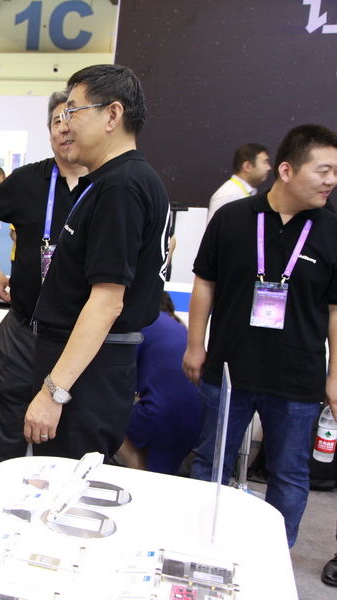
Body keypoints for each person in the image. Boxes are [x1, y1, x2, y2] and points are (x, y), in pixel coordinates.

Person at [183, 124, 337, 547]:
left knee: (289, 474)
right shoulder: (233, 218)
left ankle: (275, 556)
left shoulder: (331, 230)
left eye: (335, 172)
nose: (331, 181)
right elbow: (205, 283)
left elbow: (335, 310)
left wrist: (335, 376)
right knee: (210, 463)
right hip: (228, 369)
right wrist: (195, 345)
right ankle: (200, 546)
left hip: (297, 377)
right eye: (323, 170)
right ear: (287, 170)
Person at [24, 64, 171, 461]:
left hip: (87, 372)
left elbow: (107, 302)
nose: (65, 124)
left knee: (67, 484)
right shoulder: (113, 181)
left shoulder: (122, 186)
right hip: (89, 365)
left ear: (112, 115)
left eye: (74, 111)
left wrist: (54, 392)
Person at [0, 91, 87, 476]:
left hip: (79, 342)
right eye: (57, 121)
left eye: (72, 118)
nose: (64, 128)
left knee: (65, 458)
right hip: (24, 333)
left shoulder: (109, 183)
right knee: (5, 446)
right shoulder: (28, 180)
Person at [117, 292, 200, 475]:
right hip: (197, 417)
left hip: (163, 415)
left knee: (109, 420)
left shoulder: (143, 324)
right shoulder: (179, 327)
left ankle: (143, 476)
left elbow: (120, 376)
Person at [206, 143, 271, 223]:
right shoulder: (228, 195)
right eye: (265, 162)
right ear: (247, 167)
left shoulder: (240, 193)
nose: (269, 168)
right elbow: (214, 229)